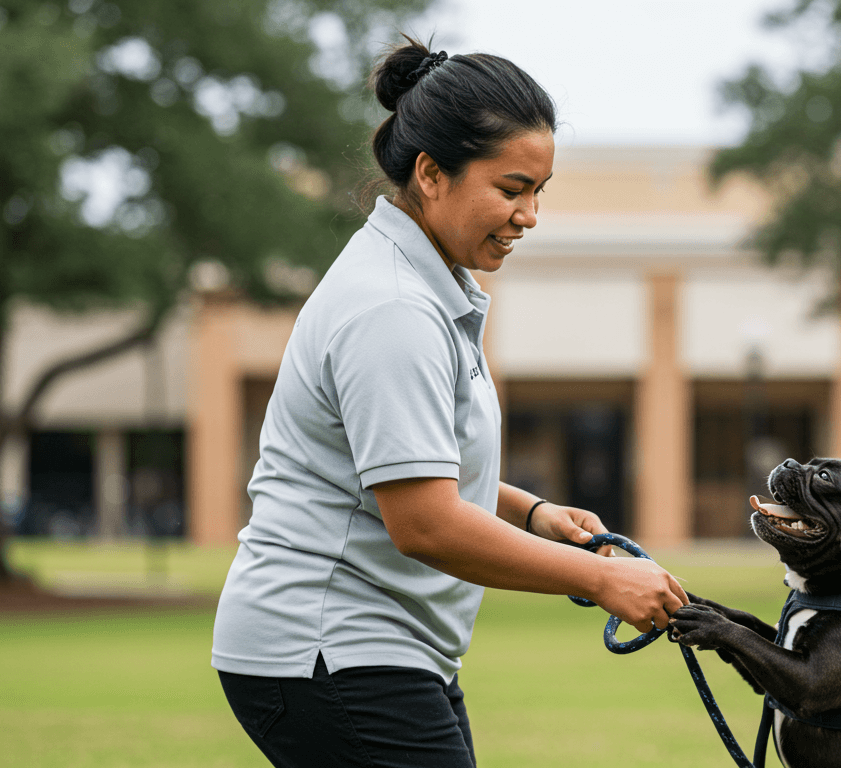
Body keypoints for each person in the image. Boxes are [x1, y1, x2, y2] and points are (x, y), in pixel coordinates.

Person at [211, 39, 688, 768]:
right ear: (430, 174)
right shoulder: (394, 307)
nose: (529, 214)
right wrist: (603, 577)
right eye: (511, 188)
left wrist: (531, 512)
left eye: (540, 191)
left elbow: (409, 463)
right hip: (327, 647)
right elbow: (425, 522)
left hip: (376, 648)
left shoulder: (421, 285)